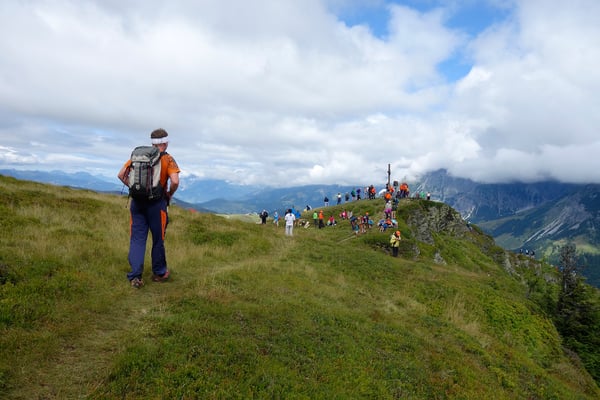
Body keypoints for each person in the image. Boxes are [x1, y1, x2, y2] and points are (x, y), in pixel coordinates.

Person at [117, 128, 180, 288]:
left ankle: (135, 276)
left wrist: (135, 189)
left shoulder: (139, 155)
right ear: (165, 142)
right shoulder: (168, 159)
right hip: (157, 204)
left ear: (153, 143)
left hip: (137, 203)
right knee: (158, 239)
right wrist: (169, 194)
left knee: (137, 239)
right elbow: (175, 181)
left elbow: (121, 174)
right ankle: (159, 273)